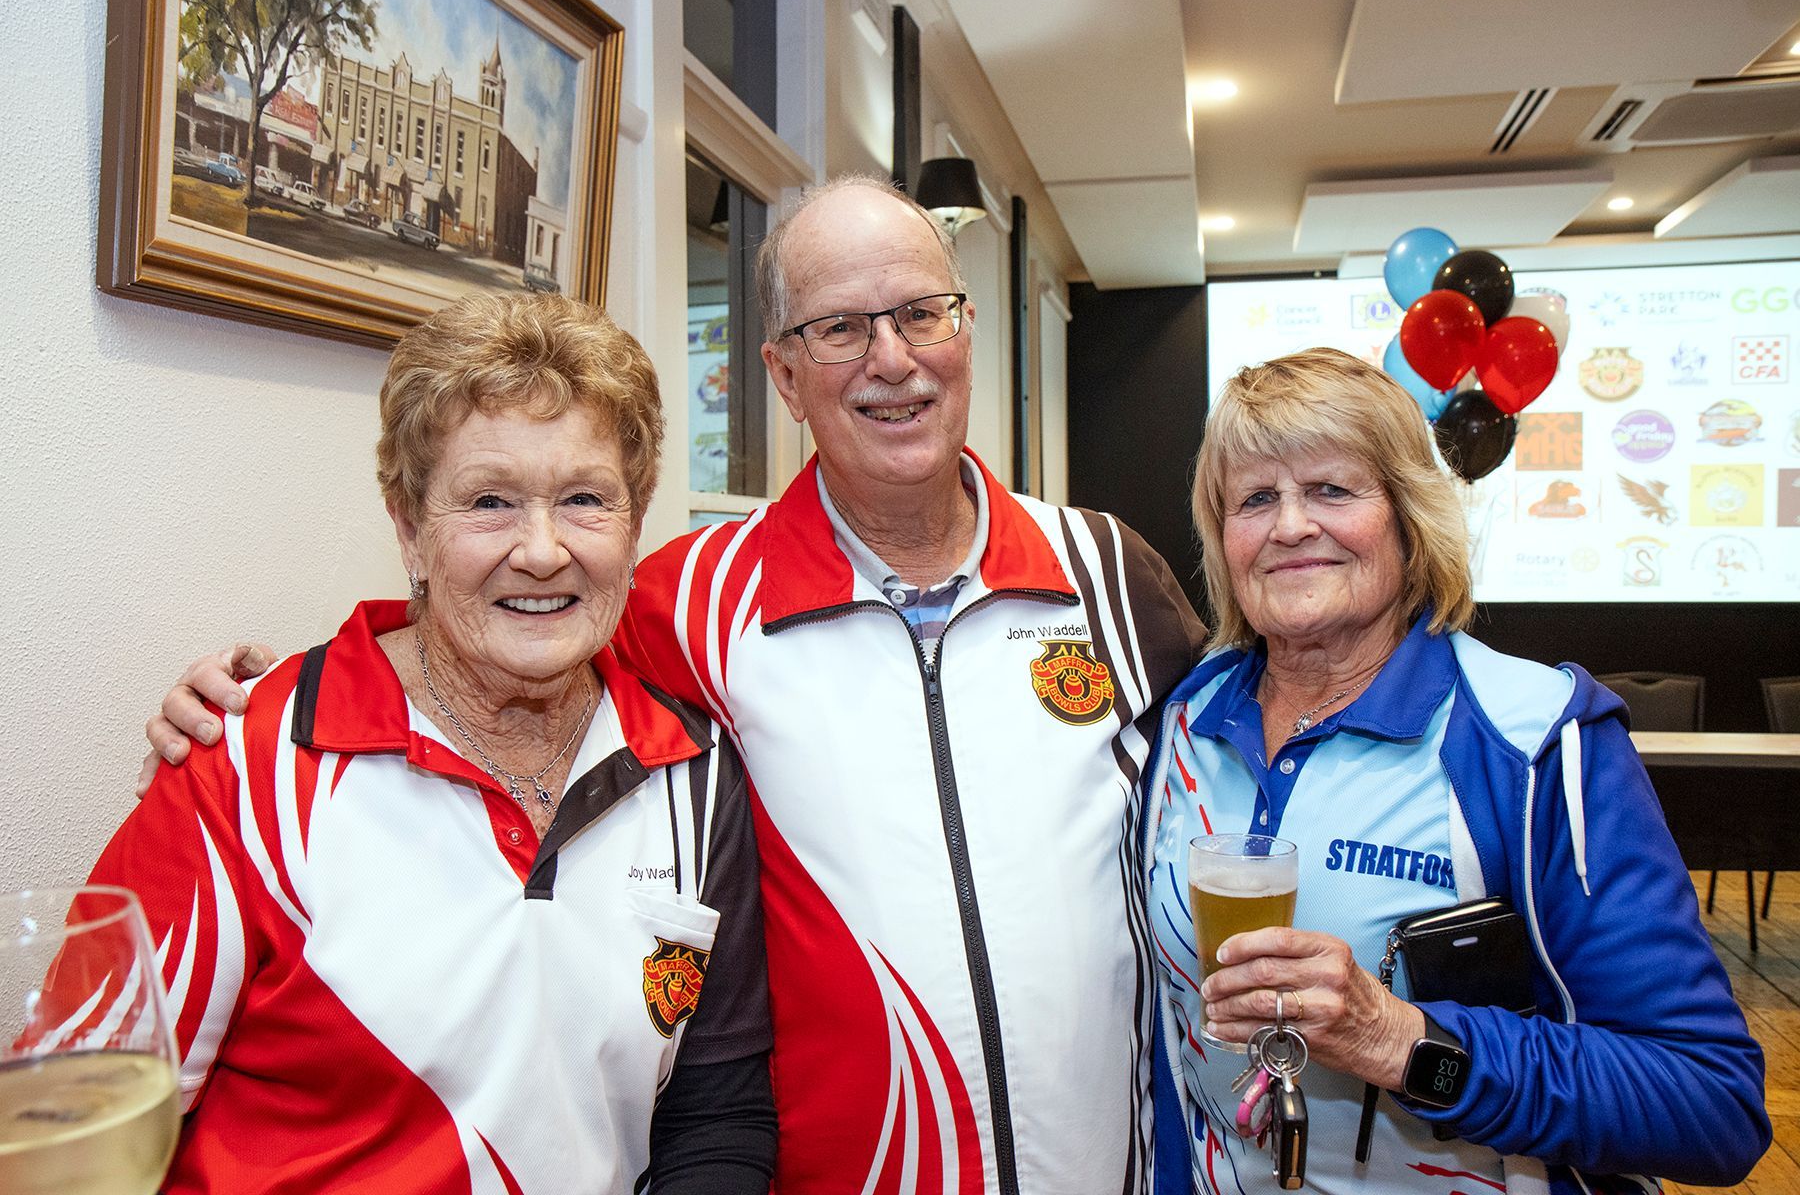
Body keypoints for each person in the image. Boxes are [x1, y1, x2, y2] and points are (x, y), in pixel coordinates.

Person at [141, 175, 1210, 1194]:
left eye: (924, 313)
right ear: (782, 376)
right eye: (839, 328)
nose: (893, 358)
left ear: (966, 327)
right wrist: (253, 702)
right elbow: (482, 655)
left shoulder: (1110, 574)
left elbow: (1243, 747)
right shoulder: (688, 602)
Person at [101, 294, 775, 1193]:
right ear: (410, 529)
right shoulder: (245, 765)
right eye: (489, 502)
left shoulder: (694, 774)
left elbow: (716, 1114)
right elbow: (86, 1124)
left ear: (634, 524)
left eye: (585, 499)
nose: (542, 551)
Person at [1143, 348, 1769, 1194]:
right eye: (1255, 499)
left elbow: (1709, 1105)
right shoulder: (1183, 722)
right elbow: (1167, 1044)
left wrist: (1402, 1042)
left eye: (1331, 489)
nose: (1290, 525)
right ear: (1224, 539)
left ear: (1409, 516)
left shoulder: (1534, 739)